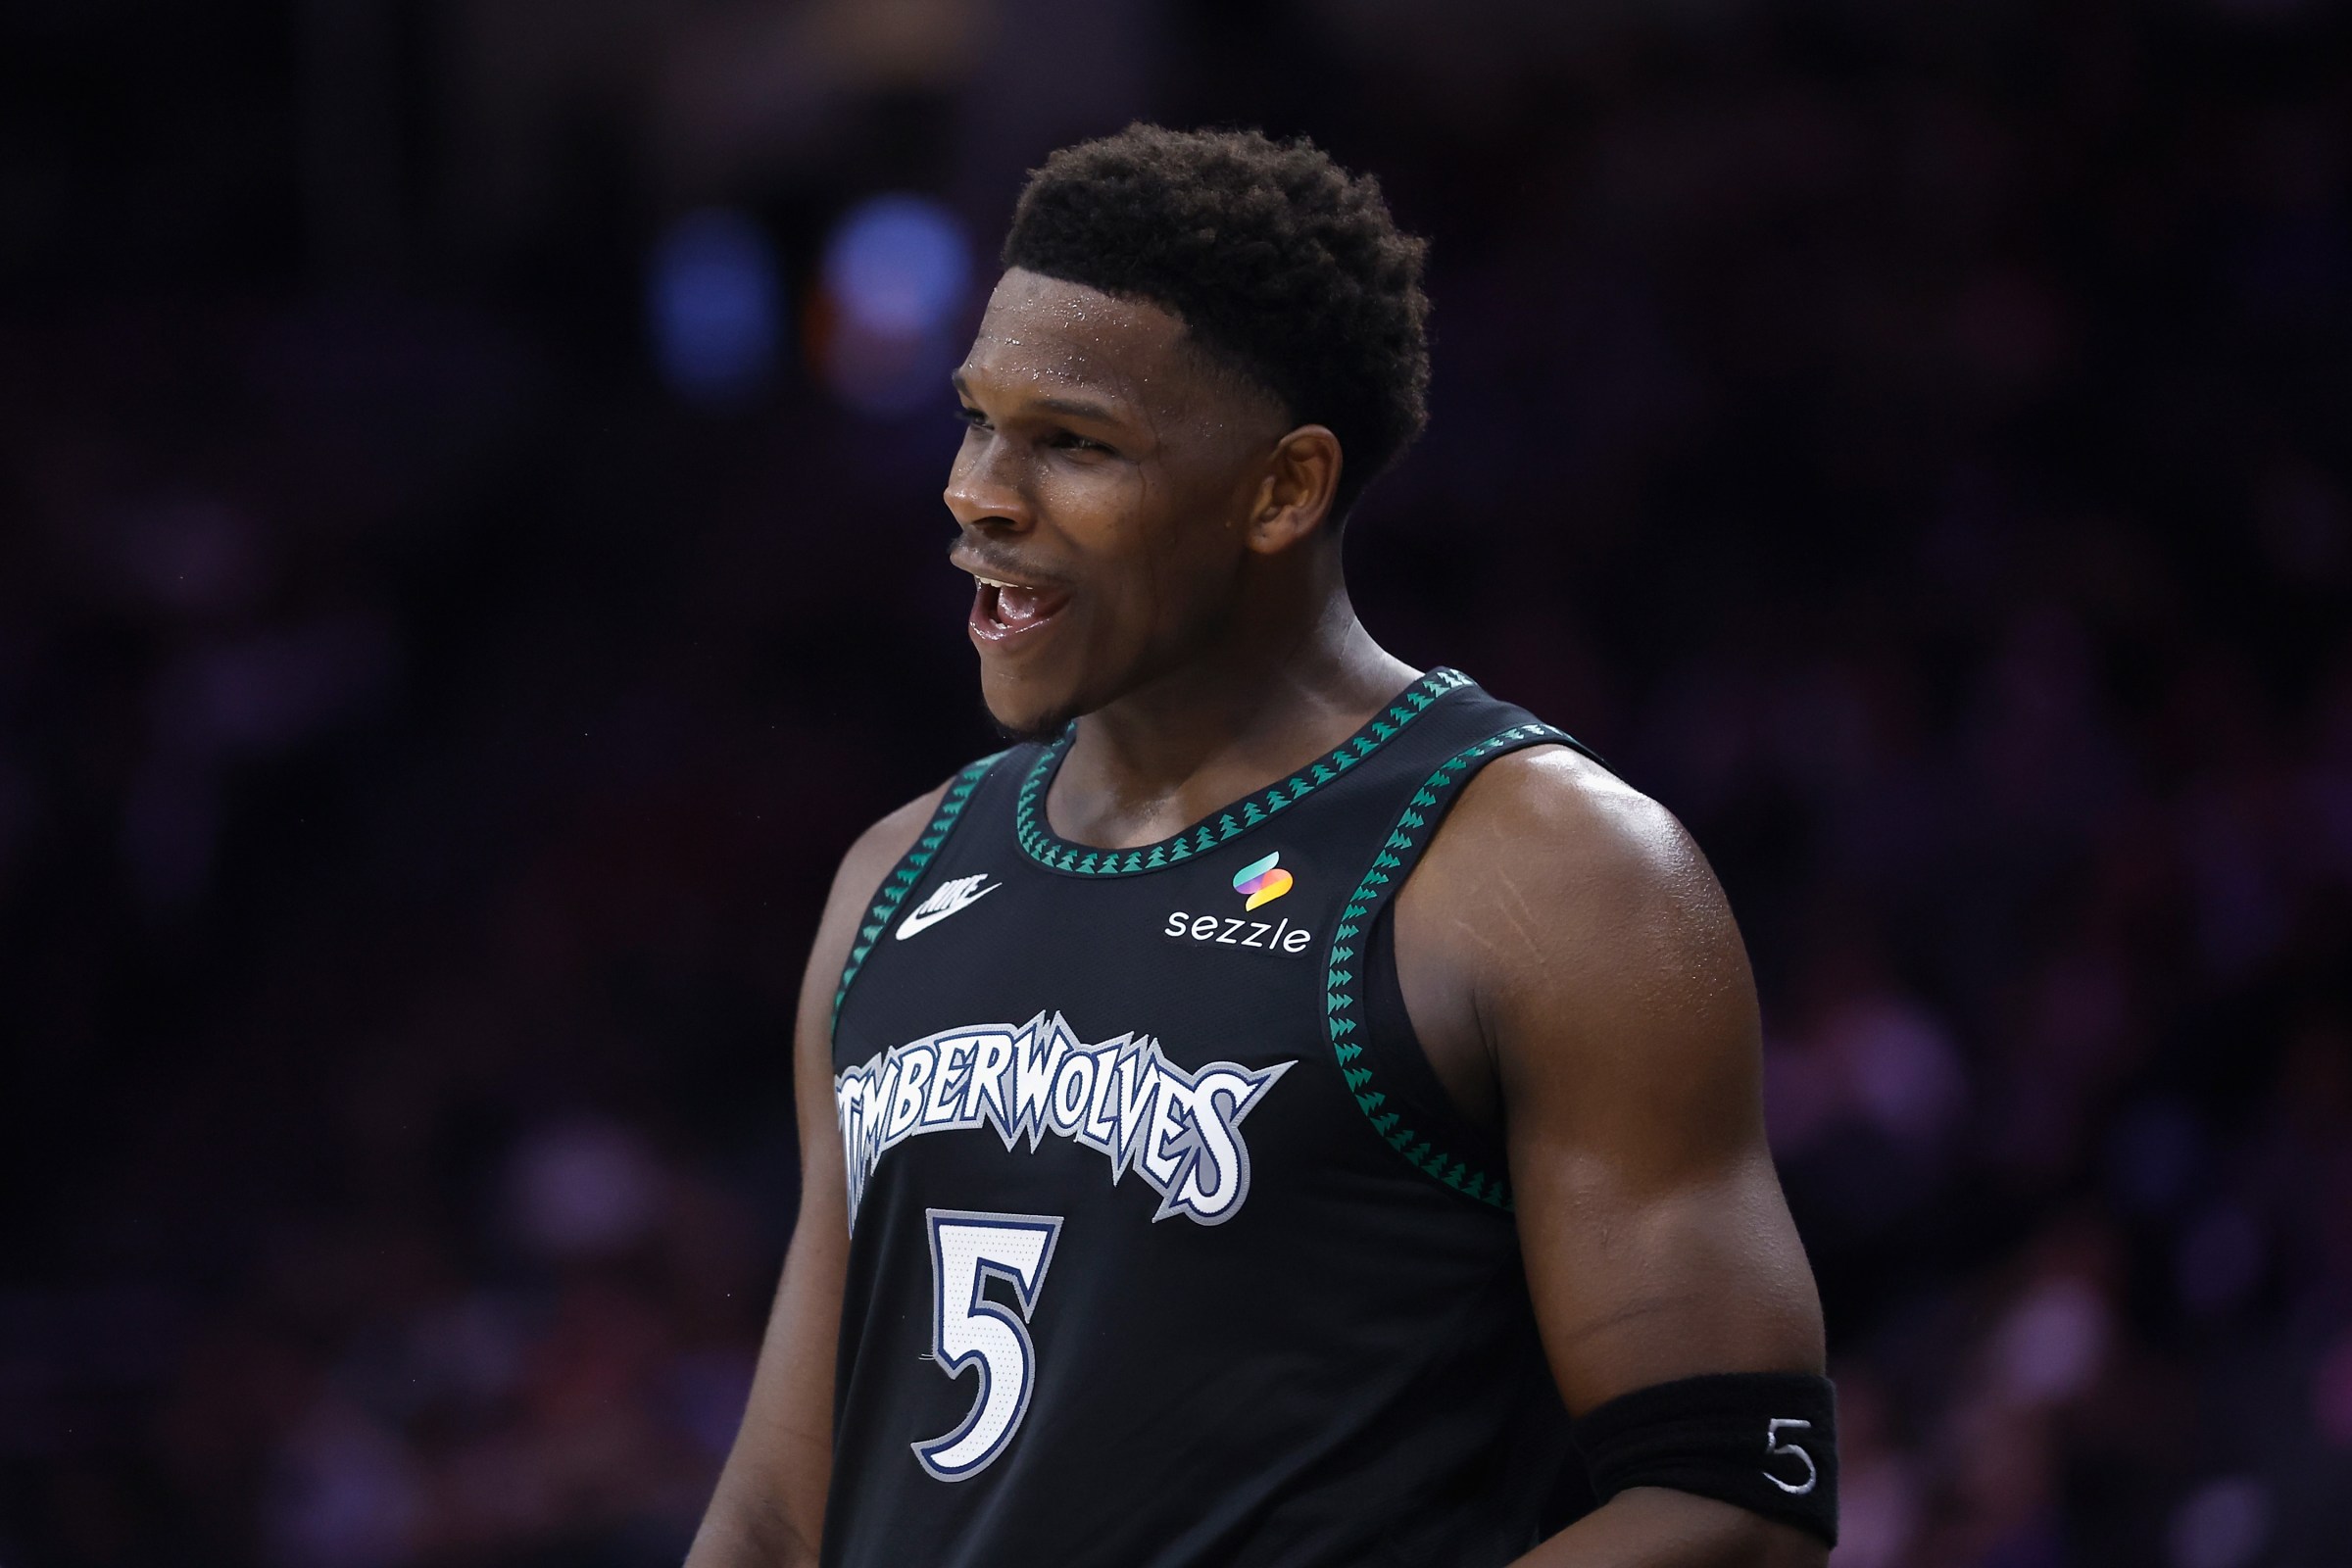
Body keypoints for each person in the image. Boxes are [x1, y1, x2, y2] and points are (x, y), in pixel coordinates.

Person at [687, 124, 1834, 1568]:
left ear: (1283, 490)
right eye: (975, 420)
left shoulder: (1548, 872)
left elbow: (1734, 1495)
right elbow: (783, 1511)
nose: (977, 490)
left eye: (1073, 442)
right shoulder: (894, 877)